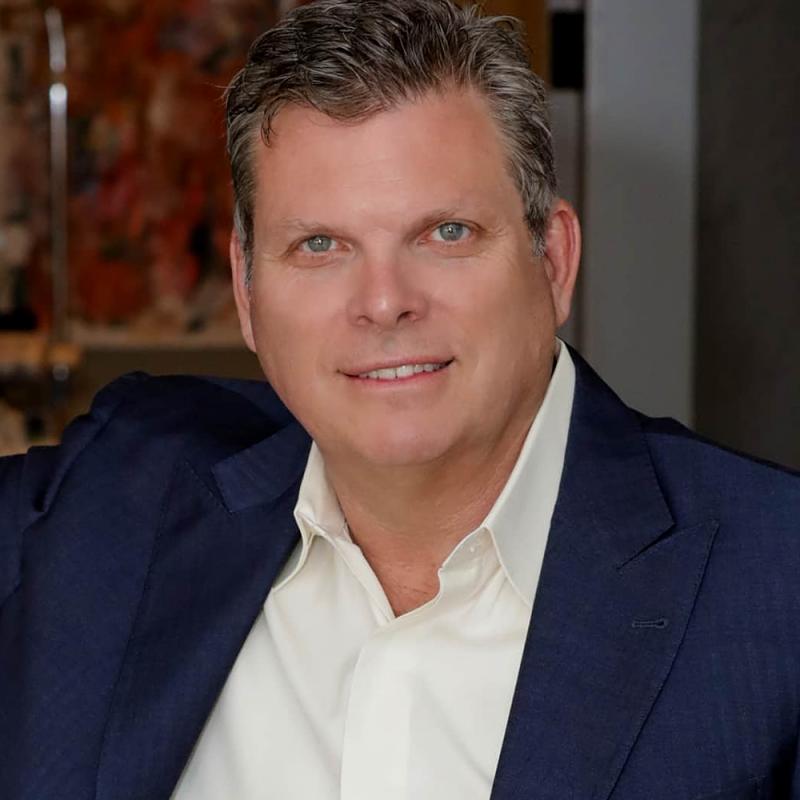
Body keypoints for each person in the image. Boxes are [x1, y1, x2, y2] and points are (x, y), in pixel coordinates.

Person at [1, 1, 799, 798]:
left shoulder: (775, 584)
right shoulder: (117, 493)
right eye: (320, 245)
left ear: (553, 262)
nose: (384, 303)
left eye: (446, 233)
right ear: (246, 290)